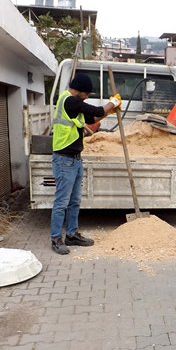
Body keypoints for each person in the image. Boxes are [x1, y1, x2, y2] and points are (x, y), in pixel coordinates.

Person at [50, 73, 121, 255]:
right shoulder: (69, 100)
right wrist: (112, 103)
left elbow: (92, 119)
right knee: (61, 202)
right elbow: (96, 111)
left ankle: (72, 235)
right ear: (79, 90)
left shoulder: (74, 104)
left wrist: (109, 111)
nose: (87, 97)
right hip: (64, 159)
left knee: (74, 201)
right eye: (87, 93)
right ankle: (56, 238)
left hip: (75, 159)